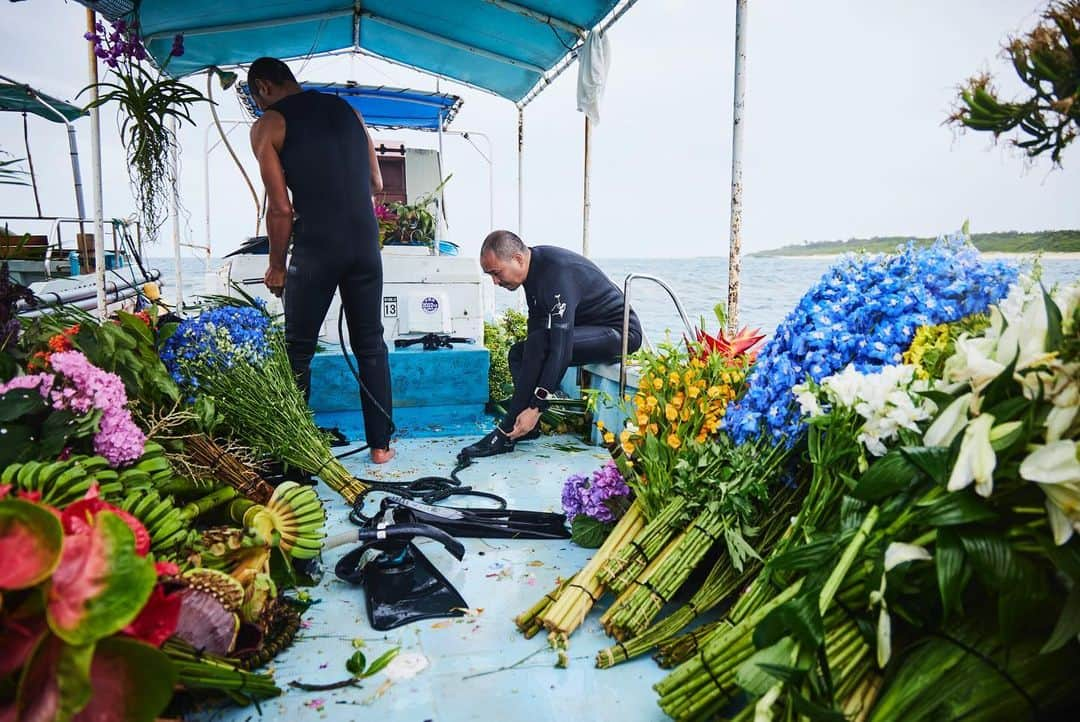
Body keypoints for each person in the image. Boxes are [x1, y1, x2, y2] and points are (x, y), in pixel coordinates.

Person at [247, 57, 394, 464]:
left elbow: (280, 210)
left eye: (256, 99)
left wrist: (276, 265)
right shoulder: (349, 111)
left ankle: (293, 451)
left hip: (318, 246)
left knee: (298, 349)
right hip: (366, 244)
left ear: (263, 86)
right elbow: (376, 184)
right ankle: (381, 447)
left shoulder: (269, 125)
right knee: (371, 344)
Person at [460, 231, 643, 458]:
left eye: (496, 273)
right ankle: (525, 429)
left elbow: (561, 350)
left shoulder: (556, 273)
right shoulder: (532, 272)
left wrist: (536, 407)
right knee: (518, 353)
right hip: (586, 331)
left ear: (518, 259)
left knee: (544, 344)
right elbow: (536, 335)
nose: (495, 282)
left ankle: (507, 431)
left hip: (620, 333)